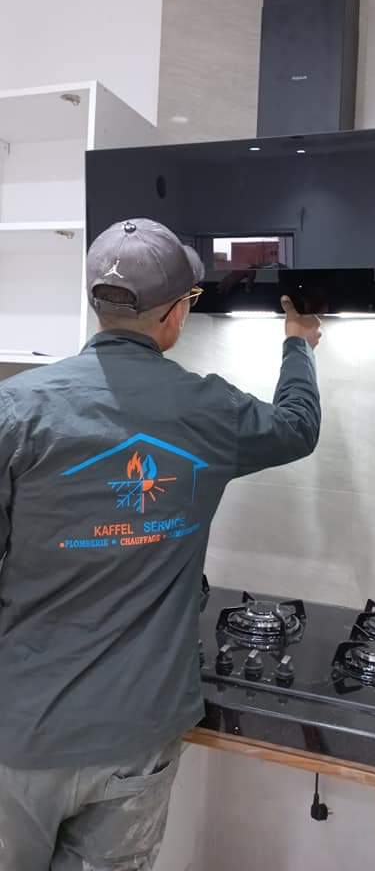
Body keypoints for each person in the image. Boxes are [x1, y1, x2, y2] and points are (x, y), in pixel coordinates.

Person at [0, 218, 322, 870]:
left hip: (21, 731)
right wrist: (299, 344)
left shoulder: (17, 409)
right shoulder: (211, 410)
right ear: (176, 313)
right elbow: (297, 426)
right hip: (136, 732)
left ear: (97, 301)